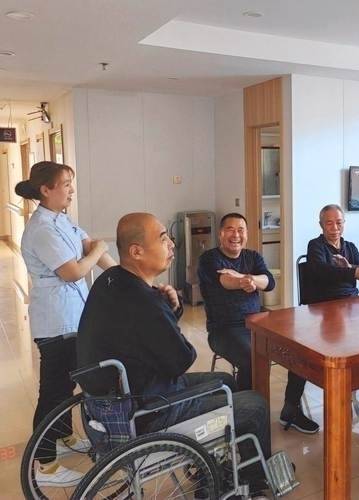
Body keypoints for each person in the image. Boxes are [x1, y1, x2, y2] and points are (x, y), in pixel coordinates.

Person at [76, 213, 270, 465]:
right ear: (136, 251)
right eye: (163, 239)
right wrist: (165, 310)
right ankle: (254, 478)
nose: (171, 244)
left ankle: (216, 464)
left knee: (225, 380)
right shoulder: (146, 302)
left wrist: (169, 309)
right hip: (152, 413)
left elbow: (148, 333)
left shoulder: (110, 280)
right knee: (255, 404)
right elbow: (182, 359)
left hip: (122, 398)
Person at [15, 161, 116, 487]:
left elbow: (90, 247)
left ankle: (63, 436)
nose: (72, 190)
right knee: (54, 391)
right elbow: (73, 271)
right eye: (66, 184)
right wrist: (98, 250)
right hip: (55, 322)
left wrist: (123, 276)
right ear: (46, 190)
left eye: (72, 182)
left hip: (72, 317)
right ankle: (45, 465)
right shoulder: (41, 229)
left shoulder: (62, 218)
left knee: (68, 383)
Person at [199, 213, 319, 434]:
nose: (236, 235)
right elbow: (225, 281)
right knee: (252, 359)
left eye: (241, 230)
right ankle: (243, 419)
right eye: (230, 229)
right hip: (224, 329)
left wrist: (250, 278)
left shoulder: (253, 256)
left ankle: (291, 409)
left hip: (259, 323)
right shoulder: (209, 258)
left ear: (247, 233)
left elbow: (269, 282)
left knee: (301, 350)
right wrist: (246, 280)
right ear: (221, 233)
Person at [305, 204, 359, 303]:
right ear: (321, 225)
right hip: (325, 301)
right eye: (329, 223)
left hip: (351, 299)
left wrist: (349, 266)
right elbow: (322, 270)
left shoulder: (350, 246)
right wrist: (352, 272)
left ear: (344, 223)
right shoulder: (315, 245)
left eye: (339, 223)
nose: (335, 228)